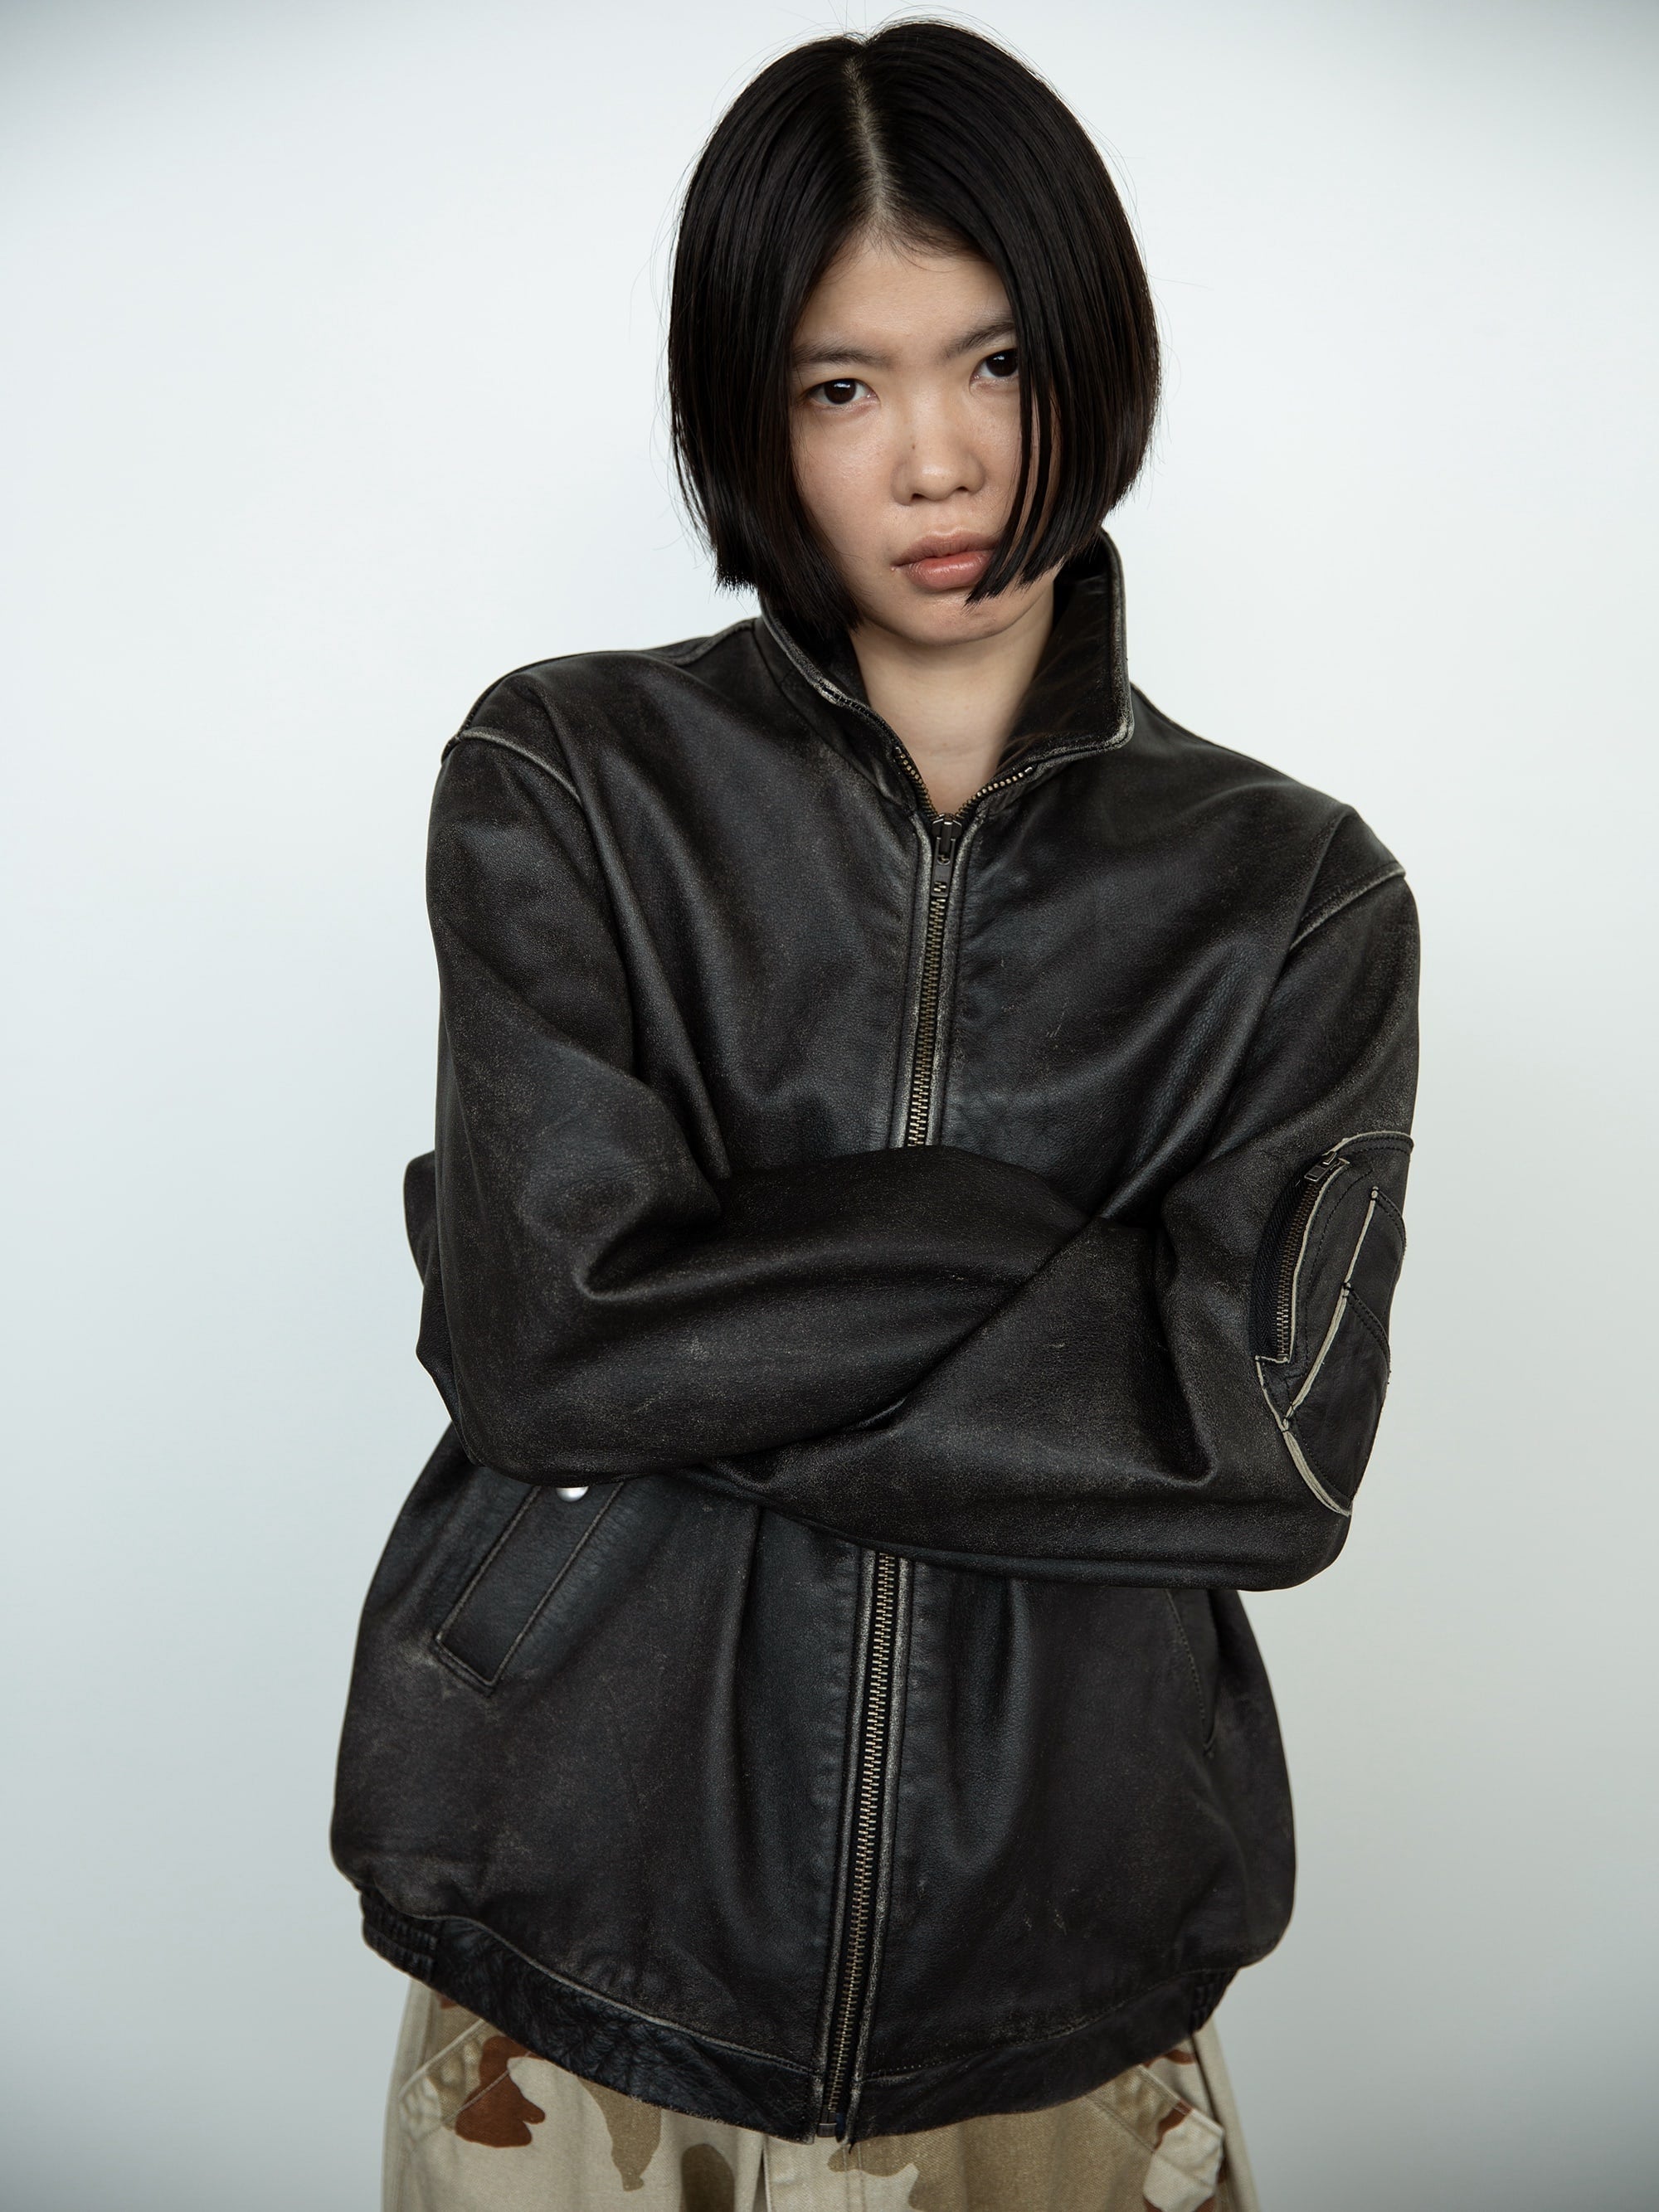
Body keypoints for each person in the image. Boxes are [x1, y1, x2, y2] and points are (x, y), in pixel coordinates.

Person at [332, 21, 1418, 2210]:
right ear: (751, 415)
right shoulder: (569, 780)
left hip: (1069, 1986)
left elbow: (1268, 1455)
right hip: (570, 1969)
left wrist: (671, 1314)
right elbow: (551, 1347)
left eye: (994, 363)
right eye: (843, 385)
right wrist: (1047, 1265)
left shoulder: (1293, 894)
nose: (936, 459)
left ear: (1090, 353)